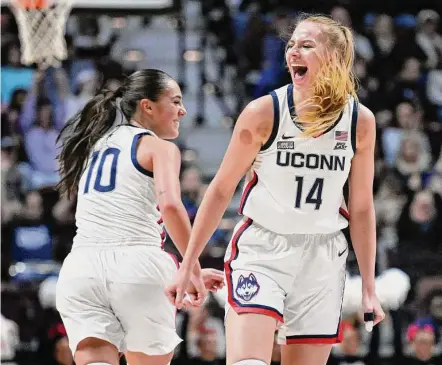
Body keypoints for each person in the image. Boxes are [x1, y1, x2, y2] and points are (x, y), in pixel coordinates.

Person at [166, 14, 386, 365]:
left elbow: (360, 208)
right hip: (263, 248)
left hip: (323, 256)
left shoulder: (360, 121)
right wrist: (188, 263)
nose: (293, 52)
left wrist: (369, 288)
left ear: (333, 57)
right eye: (292, 45)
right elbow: (221, 189)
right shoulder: (264, 112)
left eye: (306, 45)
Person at [55, 69, 224, 365]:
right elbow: (171, 207)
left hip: (80, 271)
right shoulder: (159, 147)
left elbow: (113, 245)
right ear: (147, 106)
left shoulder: (93, 146)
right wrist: (191, 270)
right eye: (175, 101)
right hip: (137, 267)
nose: (182, 111)